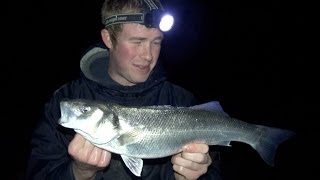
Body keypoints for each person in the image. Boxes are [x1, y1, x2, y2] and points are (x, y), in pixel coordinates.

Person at [26, 0, 223, 179]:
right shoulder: (66, 101)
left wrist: (195, 176)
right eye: (137, 42)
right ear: (109, 39)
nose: (147, 55)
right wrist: (79, 172)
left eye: (156, 42)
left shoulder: (183, 101)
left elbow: (214, 172)